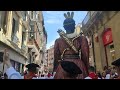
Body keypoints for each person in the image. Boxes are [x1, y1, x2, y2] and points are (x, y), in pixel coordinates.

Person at [53, 12, 89, 79]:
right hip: (79, 66)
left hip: (63, 67)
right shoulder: (82, 39)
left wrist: (55, 70)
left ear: (64, 27)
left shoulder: (58, 41)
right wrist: (86, 69)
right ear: (74, 25)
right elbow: (85, 56)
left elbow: (56, 58)